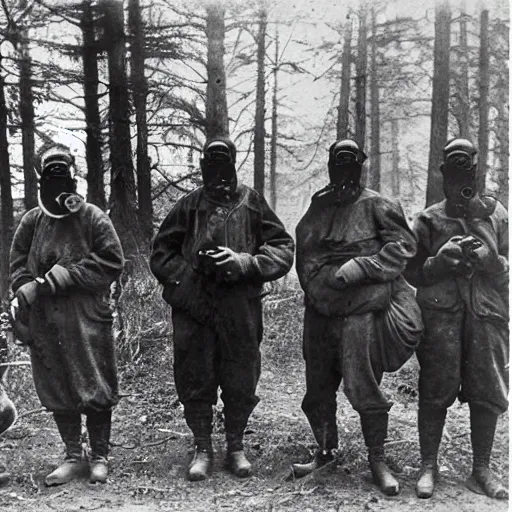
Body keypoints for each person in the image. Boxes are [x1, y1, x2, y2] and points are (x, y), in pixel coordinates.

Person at [150, 138, 294, 481]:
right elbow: (161, 253)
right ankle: (202, 447)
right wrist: (188, 278)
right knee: (194, 375)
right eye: (211, 168)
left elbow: (283, 248)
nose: (219, 176)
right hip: (194, 307)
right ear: (203, 169)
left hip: (239, 305)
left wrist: (244, 263)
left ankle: (235, 446)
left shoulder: (252, 202)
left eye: (224, 167)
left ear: (233, 166)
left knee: (241, 374)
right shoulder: (188, 206)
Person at [293, 139, 423, 495]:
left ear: (361, 166)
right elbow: (304, 249)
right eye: (339, 163)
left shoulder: (379, 204)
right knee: (318, 385)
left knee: (362, 383)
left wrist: (364, 266)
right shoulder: (320, 206)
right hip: (321, 307)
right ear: (331, 166)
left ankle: (377, 460)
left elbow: (404, 249)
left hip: (362, 308)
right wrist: (318, 285)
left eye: (352, 163)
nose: (344, 171)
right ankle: (325, 451)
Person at [9, 144, 124, 486]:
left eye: (64, 170)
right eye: (51, 171)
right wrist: (26, 289)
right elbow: (17, 268)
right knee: (57, 385)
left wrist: (54, 280)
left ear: (74, 176)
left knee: (95, 383)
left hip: (86, 316)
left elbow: (111, 262)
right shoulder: (33, 221)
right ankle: (74, 455)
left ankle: (100, 456)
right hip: (46, 321)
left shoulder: (91, 217)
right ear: (41, 178)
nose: (58, 178)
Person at [404, 138, 508, 500]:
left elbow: (510, 270)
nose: (459, 181)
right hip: (441, 316)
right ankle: (428, 465)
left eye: (466, 172)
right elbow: (411, 270)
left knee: (486, 390)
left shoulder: (498, 216)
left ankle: (481, 469)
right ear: (444, 174)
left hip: (486, 315)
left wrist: (492, 262)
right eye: (452, 172)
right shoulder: (429, 219)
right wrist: (438, 262)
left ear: (476, 173)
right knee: (435, 387)